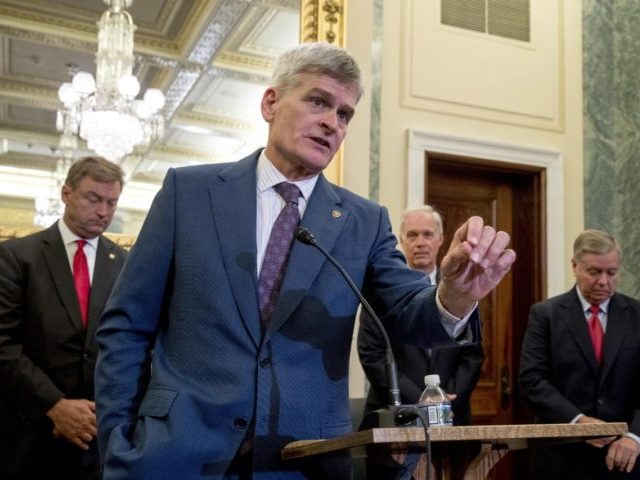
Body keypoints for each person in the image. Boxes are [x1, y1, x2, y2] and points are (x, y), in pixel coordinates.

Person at [95, 42, 516, 480]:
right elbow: (126, 326)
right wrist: (118, 443)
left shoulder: (364, 221)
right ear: (271, 102)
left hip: (304, 459)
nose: (331, 122)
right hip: (174, 455)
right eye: (318, 101)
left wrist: (454, 294)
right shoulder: (190, 193)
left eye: (344, 114)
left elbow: (408, 312)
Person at [0, 156, 126, 480]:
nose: (103, 212)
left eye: (111, 202)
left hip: (100, 436)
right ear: (66, 193)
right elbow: (4, 345)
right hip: (31, 431)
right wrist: (54, 405)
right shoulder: (18, 257)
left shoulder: (126, 264)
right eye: (93, 199)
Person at [358, 205, 485, 479]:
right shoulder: (380, 291)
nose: (420, 242)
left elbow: (472, 354)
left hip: (453, 418)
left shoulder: (461, 288)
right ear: (402, 241)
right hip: (395, 421)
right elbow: (372, 355)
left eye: (427, 234)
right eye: (412, 235)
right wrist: (422, 399)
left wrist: (446, 397)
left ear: (441, 239)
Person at [519, 229, 640, 480]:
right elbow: (532, 380)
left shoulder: (637, 315)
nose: (604, 281)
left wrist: (633, 436)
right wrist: (578, 421)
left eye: (612, 272)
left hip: (624, 456)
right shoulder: (545, 315)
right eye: (594, 272)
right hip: (562, 455)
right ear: (575, 266)